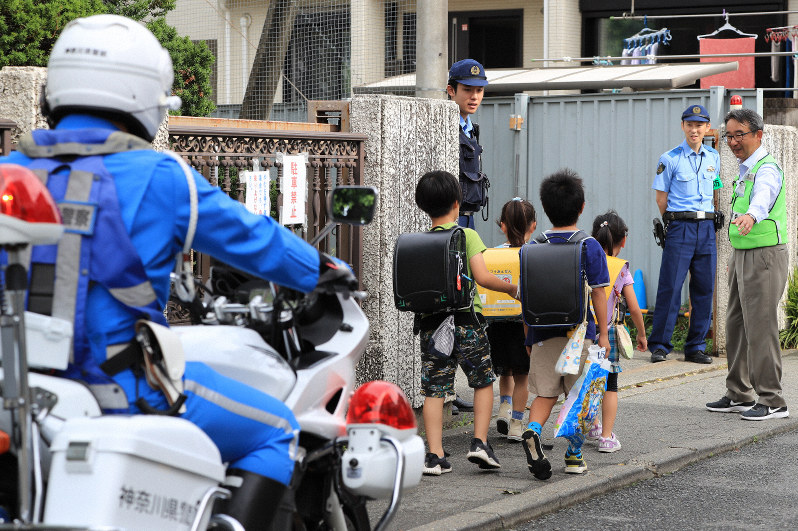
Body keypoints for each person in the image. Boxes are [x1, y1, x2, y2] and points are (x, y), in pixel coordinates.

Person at [0, 14, 350, 528]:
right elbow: (253, 238)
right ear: (144, 96)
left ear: (55, 91)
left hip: (20, 389)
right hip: (122, 386)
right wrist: (321, 267)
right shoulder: (160, 176)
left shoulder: (12, 173)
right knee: (277, 428)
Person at [414, 170, 518, 476]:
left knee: (435, 389)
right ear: (457, 204)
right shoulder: (466, 236)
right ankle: (480, 443)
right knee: (483, 381)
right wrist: (512, 288)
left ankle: (434, 456)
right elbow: (482, 277)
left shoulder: (420, 242)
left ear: (423, 206)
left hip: (433, 327)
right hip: (466, 323)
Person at [521, 169, 610, 479]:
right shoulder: (589, 245)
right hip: (580, 334)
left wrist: (529, 336)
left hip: (542, 334)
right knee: (578, 398)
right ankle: (573, 456)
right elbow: (598, 292)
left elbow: (526, 298)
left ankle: (533, 430)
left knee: (545, 394)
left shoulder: (533, 247)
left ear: (545, 209)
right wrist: (604, 333)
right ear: (581, 207)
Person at [706, 108, 790, 420]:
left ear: (758, 135)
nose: (732, 142)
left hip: (765, 256)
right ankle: (739, 393)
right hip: (743, 255)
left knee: (760, 328)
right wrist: (736, 258)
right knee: (736, 325)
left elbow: (762, 199)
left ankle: (772, 400)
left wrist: (752, 216)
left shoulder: (766, 169)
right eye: (728, 136)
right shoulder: (746, 169)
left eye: (739, 135)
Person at [648, 104, 720, 365]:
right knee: (671, 286)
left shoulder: (713, 157)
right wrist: (675, 222)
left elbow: (715, 189)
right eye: (689, 124)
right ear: (683, 126)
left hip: (707, 228)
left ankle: (696, 347)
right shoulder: (670, 158)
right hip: (681, 227)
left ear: (707, 128)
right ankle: (660, 346)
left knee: (704, 288)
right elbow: (661, 199)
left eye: (699, 125)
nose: (694, 130)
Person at [585, 211, 648, 453]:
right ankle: (606, 437)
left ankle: (592, 426)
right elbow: (634, 307)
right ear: (623, 240)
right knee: (610, 384)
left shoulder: (584, 260)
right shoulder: (620, 268)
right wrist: (641, 334)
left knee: (590, 381)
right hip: (607, 332)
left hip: (583, 331)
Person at [489, 198, 536, 441]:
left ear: (502, 225)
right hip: (523, 324)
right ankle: (517, 424)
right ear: (533, 226)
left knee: (504, 371)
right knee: (522, 376)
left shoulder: (493, 255)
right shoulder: (533, 255)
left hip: (496, 323)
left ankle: (504, 409)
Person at [447, 58, 489, 231]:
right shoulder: (445, 128)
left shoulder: (471, 130)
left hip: (469, 217)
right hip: (450, 219)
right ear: (451, 90)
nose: (474, 97)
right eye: (467, 89)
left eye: (479, 90)